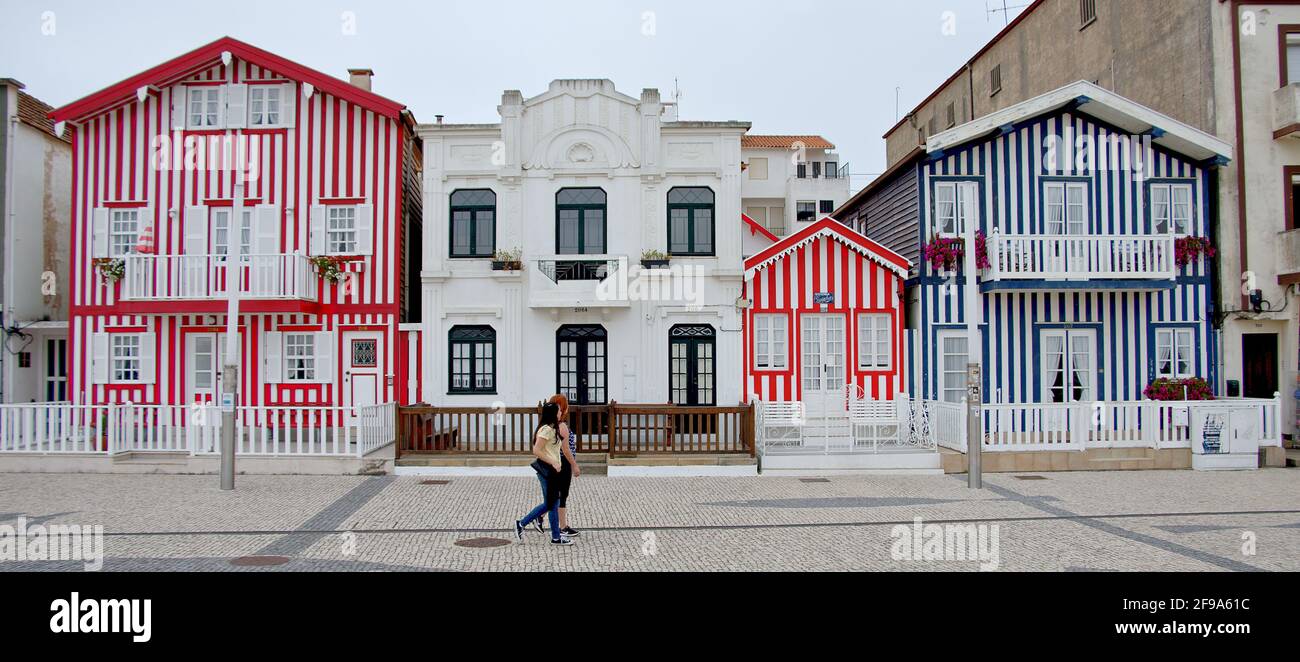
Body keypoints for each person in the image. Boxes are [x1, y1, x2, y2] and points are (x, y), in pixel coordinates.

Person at [514, 401, 572, 546]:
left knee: (552, 503)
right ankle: (522, 523)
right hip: (547, 471)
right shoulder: (546, 429)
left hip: (554, 470)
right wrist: (553, 462)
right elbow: (536, 450)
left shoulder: (553, 429)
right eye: (558, 411)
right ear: (553, 413)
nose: (561, 413)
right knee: (552, 503)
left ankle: (555, 537)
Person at [533, 394, 581, 537]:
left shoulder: (551, 425)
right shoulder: (562, 426)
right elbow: (566, 450)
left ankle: (555, 524)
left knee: (557, 496)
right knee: (561, 496)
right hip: (562, 463)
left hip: (556, 463)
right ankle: (560, 526)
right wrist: (574, 465)